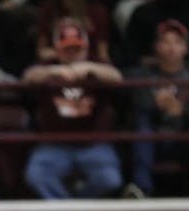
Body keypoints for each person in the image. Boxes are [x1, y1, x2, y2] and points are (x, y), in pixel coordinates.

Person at [22, 18, 124, 199]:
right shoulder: (48, 67)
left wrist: (89, 67)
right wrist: (54, 71)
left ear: (86, 47)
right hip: (55, 144)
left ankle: (81, 205)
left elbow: (116, 77)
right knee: (36, 176)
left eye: (77, 48)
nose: (72, 53)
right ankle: (64, 208)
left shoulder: (96, 65)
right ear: (57, 49)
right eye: (67, 48)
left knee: (110, 179)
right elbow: (28, 76)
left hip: (93, 143)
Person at [127, 19, 189, 197]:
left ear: (185, 48)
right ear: (156, 47)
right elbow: (140, 105)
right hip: (156, 137)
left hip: (185, 138)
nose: (171, 47)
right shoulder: (144, 74)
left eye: (177, 42)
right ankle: (142, 187)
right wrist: (158, 106)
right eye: (165, 42)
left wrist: (181, 110)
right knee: (142, 123)